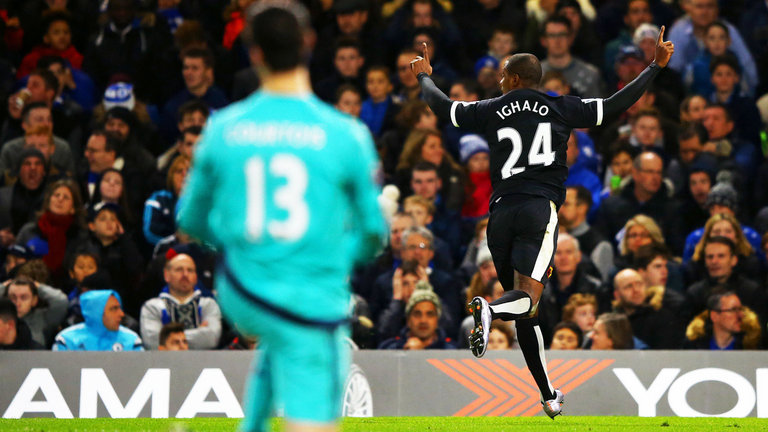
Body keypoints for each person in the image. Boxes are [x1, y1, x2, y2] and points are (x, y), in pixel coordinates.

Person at [411, 23, 674, 418]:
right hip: (538, 210)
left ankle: (548, 394)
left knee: (525, 308)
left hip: (499, 214)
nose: (500, 81)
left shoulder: (490, 109)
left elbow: (443, 108)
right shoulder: (560, 106)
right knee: (523, 300)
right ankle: (489, 311)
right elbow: (618, 103)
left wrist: (424, 78)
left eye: (503, 76)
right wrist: (654, 68)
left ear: (515, 79)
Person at [176, 2, 386, 432]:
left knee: (278, 337)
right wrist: (332, 254)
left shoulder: (223, 127)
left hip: (240, 290)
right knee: (311, 405)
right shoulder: (346, 133)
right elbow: (373, 235)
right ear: (310, 44)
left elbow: (190, 220)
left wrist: (238, 239)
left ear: (253, 52)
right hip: (308, 295)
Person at [139, 253, 221, 350]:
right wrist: (199, 332)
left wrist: (169, 339)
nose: (185, 274)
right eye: (179, 270)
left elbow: (211, 339)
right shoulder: (151, 307)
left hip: (203, 363)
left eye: (190, 270)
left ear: (195, 277)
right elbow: (152, 342)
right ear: (166, 275)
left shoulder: (208, 304)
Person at [52, 289, 143, 351]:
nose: (121, 314)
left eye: (119, 308)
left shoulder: (132, 340)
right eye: (114, 309)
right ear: (96, 313)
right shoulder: (67, 340)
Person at [683, 291, 762, 350]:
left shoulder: (750, 347)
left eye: (740, 309)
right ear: (714, 316)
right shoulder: (694, 348)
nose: (741, 315)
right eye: (733, 310)